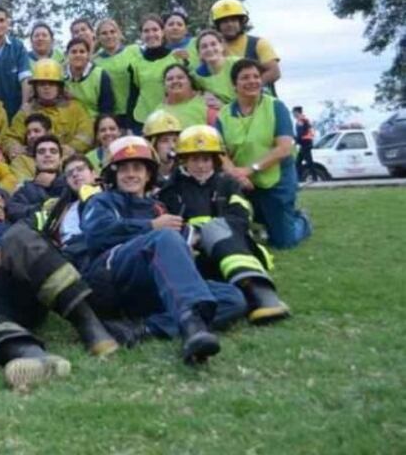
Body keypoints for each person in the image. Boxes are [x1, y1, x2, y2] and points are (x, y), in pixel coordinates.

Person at [65, 136, 248, 364]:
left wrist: (183, 250)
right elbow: (97, 235)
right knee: (164, 238)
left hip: (155, 285)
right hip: (111, 278)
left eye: (137, 168)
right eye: (124, 169)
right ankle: (192, 327)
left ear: (149, 174)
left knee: (232, 298)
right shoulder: (101, 201)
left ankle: (144, 328)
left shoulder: (159, 208)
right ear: (114, 174)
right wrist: (150, 227)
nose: (131, 174)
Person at [0, 175, 117, 392]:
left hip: (22, 291)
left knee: (20, 237)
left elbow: (16, 247)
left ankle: (89, 325)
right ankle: (30, 356)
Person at [158, 125, 291, 325]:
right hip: (193, 251)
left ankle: (261, 293)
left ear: (215, 160)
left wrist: (209, 234)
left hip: (231, 248)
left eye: (206, 159)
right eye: (195, 159)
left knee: (219, 231)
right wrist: (192, 237)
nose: (201, 165)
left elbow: (241, 216)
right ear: (183, 160)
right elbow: (169, 225)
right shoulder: (170, 191)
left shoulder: (228, 184)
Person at [216, 59, 312, 249]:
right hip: (242, 182)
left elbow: (284, 148)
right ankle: (267, 221)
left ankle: (302, 221)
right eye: (245, 77)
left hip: (276, 181)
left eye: (256, 76)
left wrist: (250, 170)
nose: (252, 81)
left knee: (284, 242)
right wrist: (235, 173)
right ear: (234, 84)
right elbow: (219, 151)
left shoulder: (276, 107)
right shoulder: (224, 114)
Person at [3, 58, 94, 158]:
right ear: (35, 87)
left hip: (69, 161)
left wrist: (72, 148)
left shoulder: (75, 108)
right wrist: (14, 148)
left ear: (59, 87)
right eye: (42, 84)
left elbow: (87, 135)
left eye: (51, 83)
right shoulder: (26, 111)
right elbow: (10, 138)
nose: (47, 87)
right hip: (35, 162)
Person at [210, 0, 281, 92]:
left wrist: (250, 87)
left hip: (260, 102)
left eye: (233, 20)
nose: (230, 24)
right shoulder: (213, 49)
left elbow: (274, 72)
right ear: (217, 26)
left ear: (241, 22)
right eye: (224, 21)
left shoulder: (258, 43)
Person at [127, 14, 183, 131]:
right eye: (146, 31)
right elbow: (133, 95)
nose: (151, 34)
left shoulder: (176, 58)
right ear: (141, 35)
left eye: (155, 30)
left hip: (172, 118)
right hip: (142, 120)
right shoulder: (135, 63)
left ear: (162, 32)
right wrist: (130, 126)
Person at [6, 135, 67, 223]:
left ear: (60, 159)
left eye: (53, 151)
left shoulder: (72, 184)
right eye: (41, 152)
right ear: (34, 160)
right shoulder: (24, 191)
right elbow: (14, 213)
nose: (47, 154)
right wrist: (42, 207)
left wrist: (56, 183)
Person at [92, 18, 138, 130]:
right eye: (104, 33)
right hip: (112, 115)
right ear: (98, 37)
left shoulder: (134, 51)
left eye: (112, 32)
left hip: (137, 111)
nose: (109, 36)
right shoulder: (95, 61)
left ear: (119, 33)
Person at [64, 36, 114, 119]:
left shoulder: (101, 75)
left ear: (88, 54)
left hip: (95, 123)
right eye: (74, 52)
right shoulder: (61, 77)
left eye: (82, 52)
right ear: (67, 54)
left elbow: (106, 109)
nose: (78, 55)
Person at [159, 63, 214, 129]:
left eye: (180, 77)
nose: (175, 81)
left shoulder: (208, 102)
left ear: (190, 81)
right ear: (164, 85)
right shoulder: (159, 112)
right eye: (170, 79)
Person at [194, 29, 240, 106]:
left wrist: (224, 106)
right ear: (199, 53)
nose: (209, 49)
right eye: (204, 46)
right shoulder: (198, 76)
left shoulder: (237, 64)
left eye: (213, 44)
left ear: (222, 47)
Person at [7, 113, 54, 182]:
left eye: (36, 131)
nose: (32, 136)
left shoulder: (62, 156)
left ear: (48, 133)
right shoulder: (20, 161)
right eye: (28, 133)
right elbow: (25, 186)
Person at [142, 110, 183, 185]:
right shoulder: (143, 176)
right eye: (165, 141)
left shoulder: (185, 174)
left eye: (175, 140)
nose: (172, 146)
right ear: (151, 145)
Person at [292, 106, 319, 182]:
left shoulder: (301, 120)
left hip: (305, 143)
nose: (293, 114)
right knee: (299, 162)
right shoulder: (303, 120)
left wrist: (295, 141)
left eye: (293, 113)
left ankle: (313, 177)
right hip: (305, 143)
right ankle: (301, 178)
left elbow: (301, 133)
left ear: (297, 112)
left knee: (306, 162)